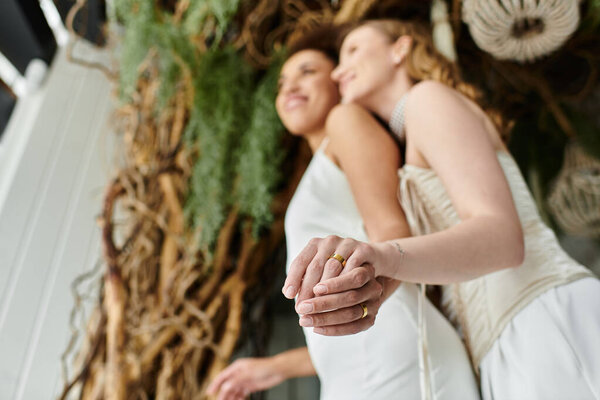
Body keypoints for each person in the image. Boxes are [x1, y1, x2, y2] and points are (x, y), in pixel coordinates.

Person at [283, 19, 600, 400]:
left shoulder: (428, 99)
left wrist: (385, 256)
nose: (338, 71)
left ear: (399, 50)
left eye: (353, 51)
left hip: (543, 317)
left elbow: (503, 240)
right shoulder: (411, 139)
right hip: (500, 350)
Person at [208, 26, 480, 400]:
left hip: (388, 354)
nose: (288, 87)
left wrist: (370, 295)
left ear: (339, 79)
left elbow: (392, 230)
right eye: (282, 82)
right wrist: (275, 367)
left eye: (307, 72)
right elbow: (346, 318)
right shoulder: (321, 163)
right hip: (362, 356)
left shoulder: (345, 120)